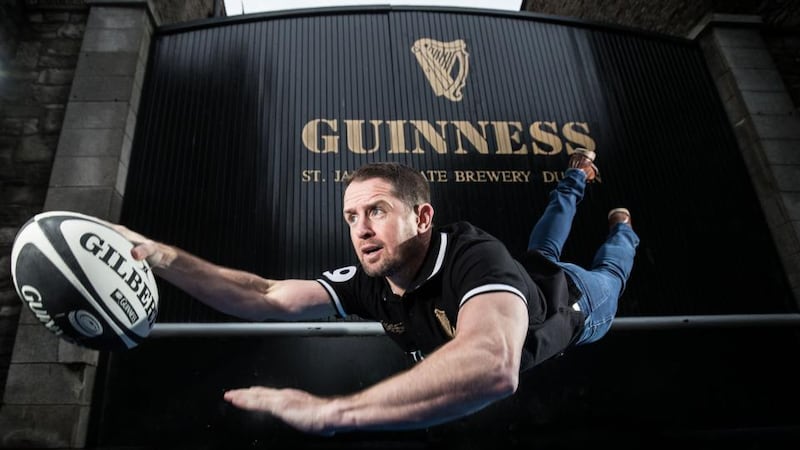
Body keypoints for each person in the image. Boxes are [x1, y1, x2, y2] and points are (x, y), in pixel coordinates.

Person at [113, 149, 639, 435]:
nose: (360, 229)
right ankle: (575, 176)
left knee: (609, 270)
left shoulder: (471, 255)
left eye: (377, 211)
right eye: (351, 216)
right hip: (533, 273)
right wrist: (163, 258)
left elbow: (494, 363)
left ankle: (621, 226)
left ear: (422, 217)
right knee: (544, 243)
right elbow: (266, 294)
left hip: (577, 303)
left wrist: (336, 412)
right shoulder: (370, 280)